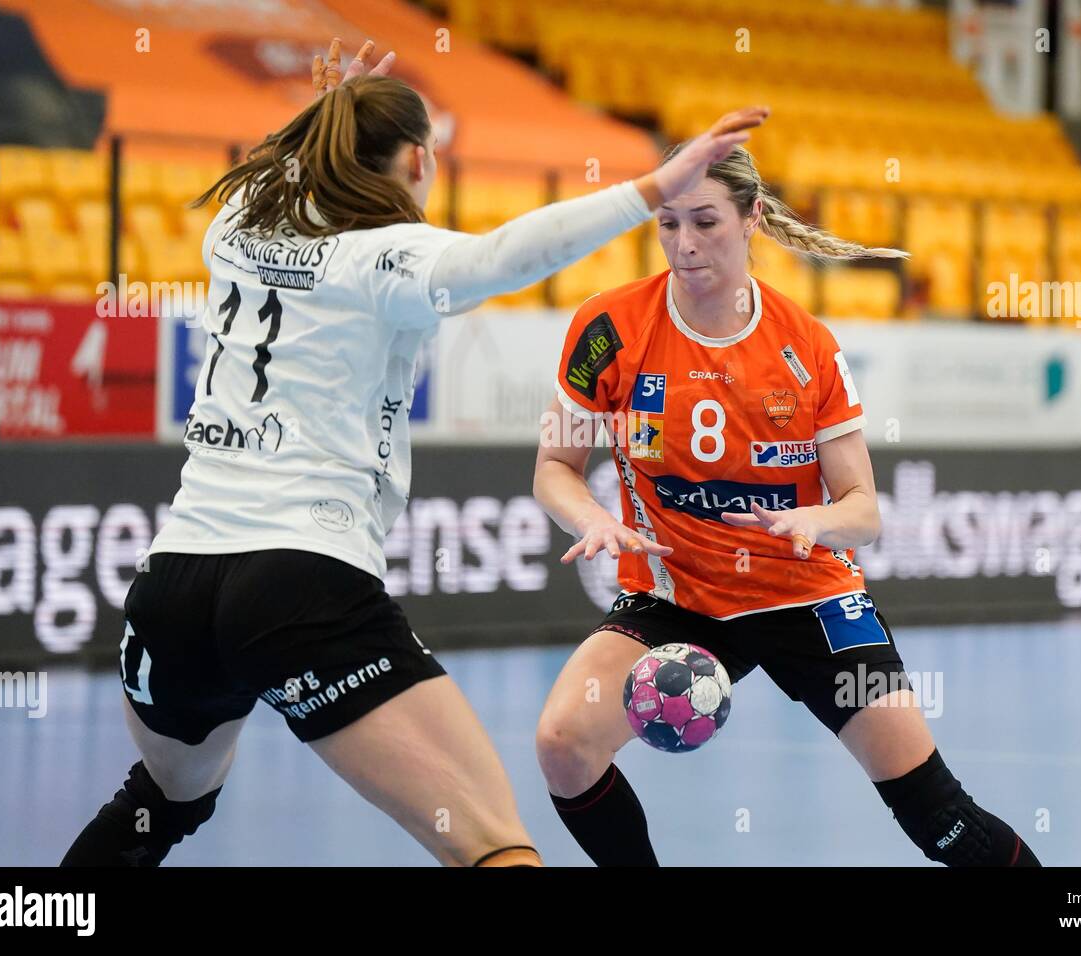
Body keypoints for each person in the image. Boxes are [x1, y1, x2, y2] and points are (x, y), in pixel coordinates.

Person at [61, 39, 768, 867]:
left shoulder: (235, 224)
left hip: (173, 585)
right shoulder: (388, 257)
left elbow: (285, 168)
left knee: (162, 800)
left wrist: (328, 106)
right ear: (421, 158)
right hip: (300, 582)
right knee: (494, 847)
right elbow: (505, 256)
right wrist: (653, 186)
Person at [532, 143, 1042, 867]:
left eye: (705, 221)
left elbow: (864, 510)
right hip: (679, 595)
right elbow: (554, 468)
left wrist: (815, 521)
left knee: (939, 818)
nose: (684, 243)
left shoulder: (807, 345)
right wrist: (591, 517)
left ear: (752, 219)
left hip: (811, 596)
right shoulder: (607, 328)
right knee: (563, 744)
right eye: (668, 223)